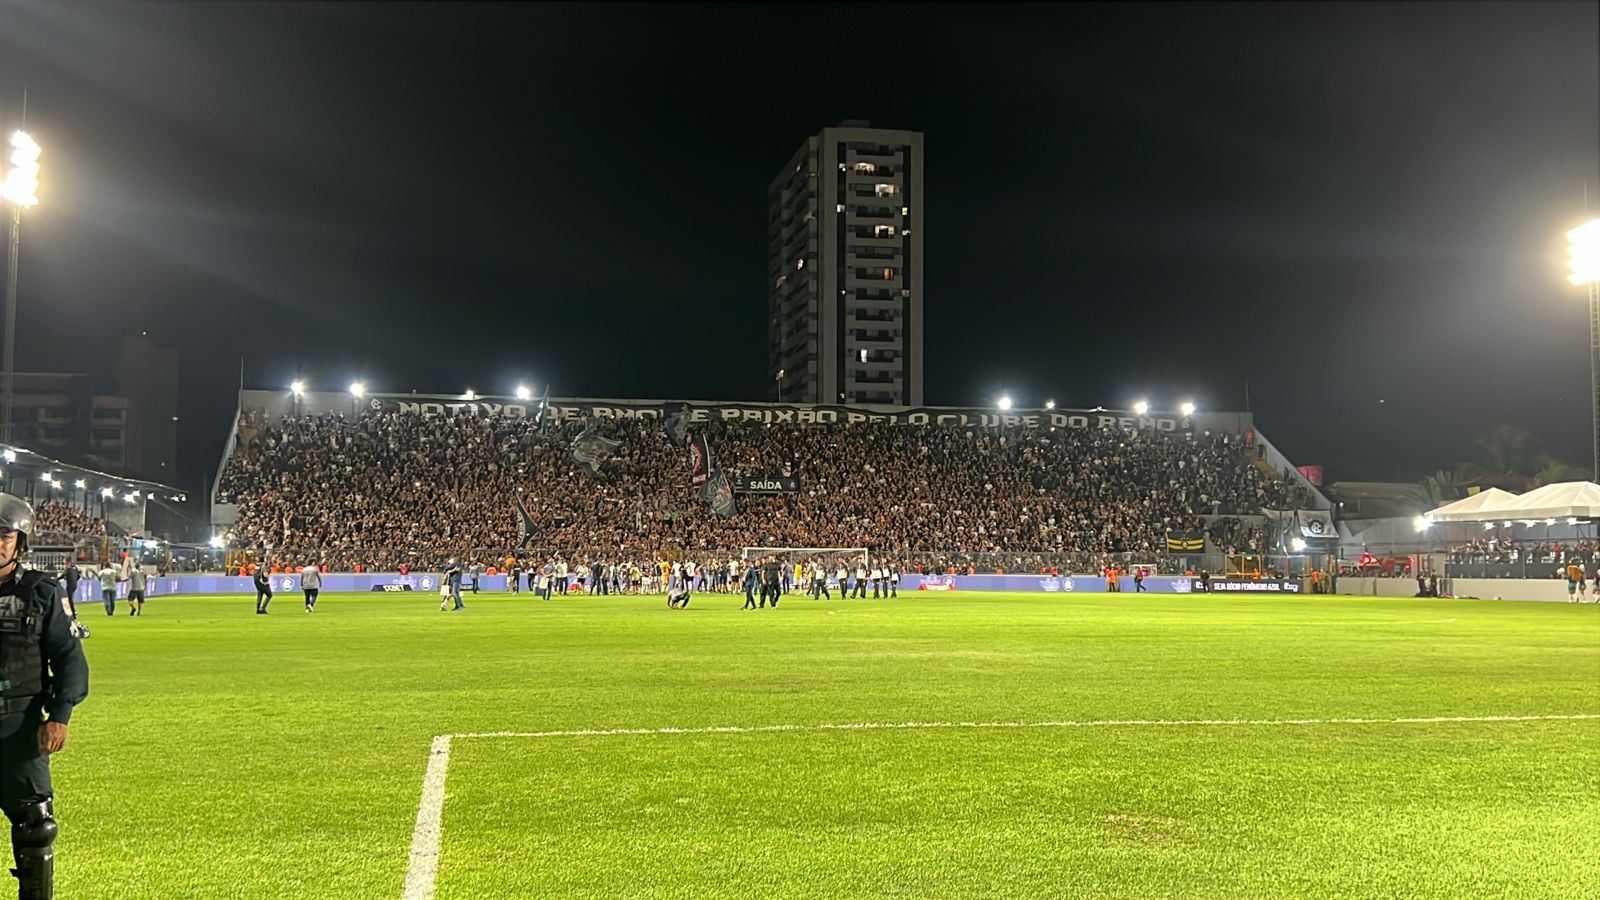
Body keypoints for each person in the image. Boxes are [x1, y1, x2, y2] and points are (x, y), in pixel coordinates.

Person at [0, 493, 90, 900]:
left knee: (37, 827)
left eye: (6, 534)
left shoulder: (43, 593)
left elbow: (70, 660)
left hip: (18, 731)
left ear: (20, 542)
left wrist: (60, 714)